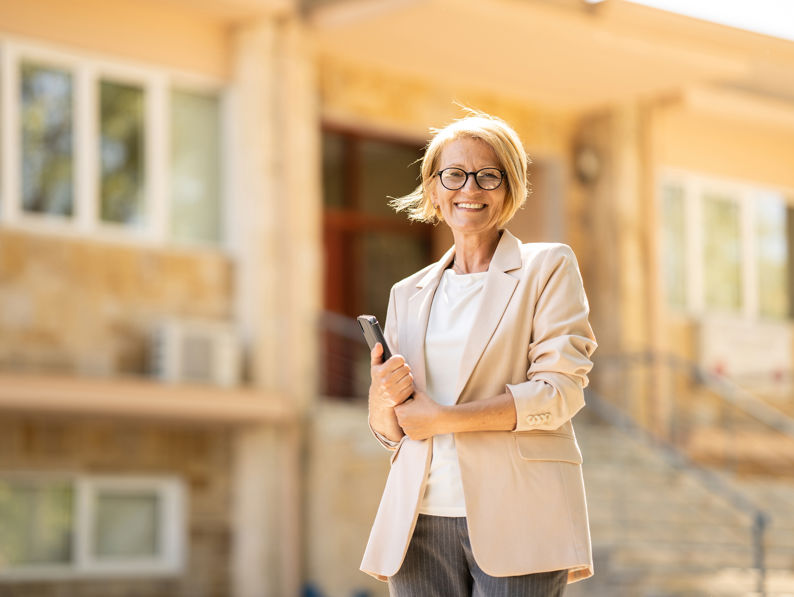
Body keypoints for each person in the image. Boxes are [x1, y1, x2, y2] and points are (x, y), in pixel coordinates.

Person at [360, 110, 598, 597]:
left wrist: (443, 418)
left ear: (510, 190)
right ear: (433, 189)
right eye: (454, 174)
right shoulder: (409, 292)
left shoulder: (547, 267)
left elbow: (557, 393)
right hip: (418, 521)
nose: (470, 188)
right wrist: (382, 397)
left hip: (521, 514)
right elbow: (394, 433)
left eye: (489, 175)